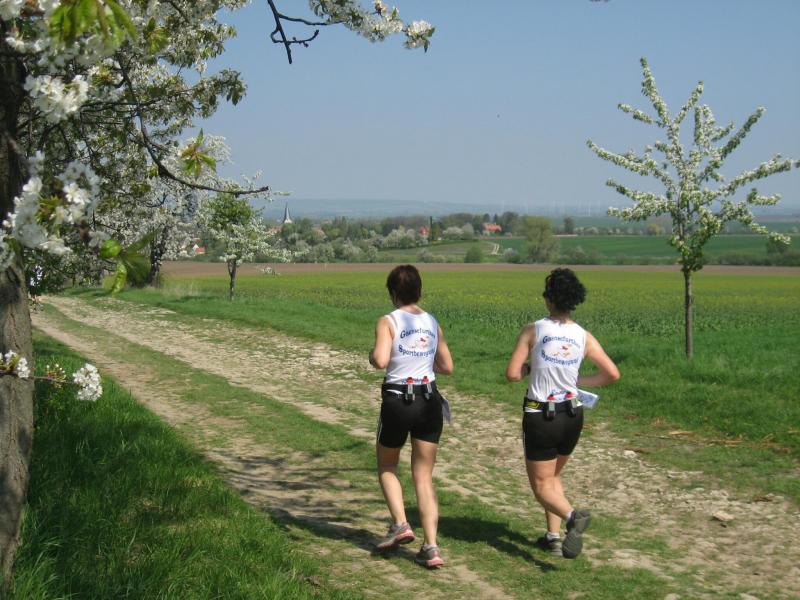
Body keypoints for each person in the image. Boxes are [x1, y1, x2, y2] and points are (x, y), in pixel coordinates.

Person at [505, 268, 619, 559]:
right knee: (553, 476)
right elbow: (612, 374)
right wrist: (578, 380)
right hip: (573, 414)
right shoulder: (583, 336)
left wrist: (530, 367)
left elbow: (513, 374)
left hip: (541, 415)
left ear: (549, 299)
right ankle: (553, 538)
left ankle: (572, 518)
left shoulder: (533, 330)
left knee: (541, 486)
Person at [369, 264, 454, 568]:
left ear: (393, 293)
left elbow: (381, 360)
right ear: (419, 291)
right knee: (424, 475)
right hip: (429, 400)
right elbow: (447, 366)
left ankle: (400, 524)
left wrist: (372, 355)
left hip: (397, 400)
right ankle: (431, 547)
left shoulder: (388, 321)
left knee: (387, 465)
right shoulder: (432, 322)